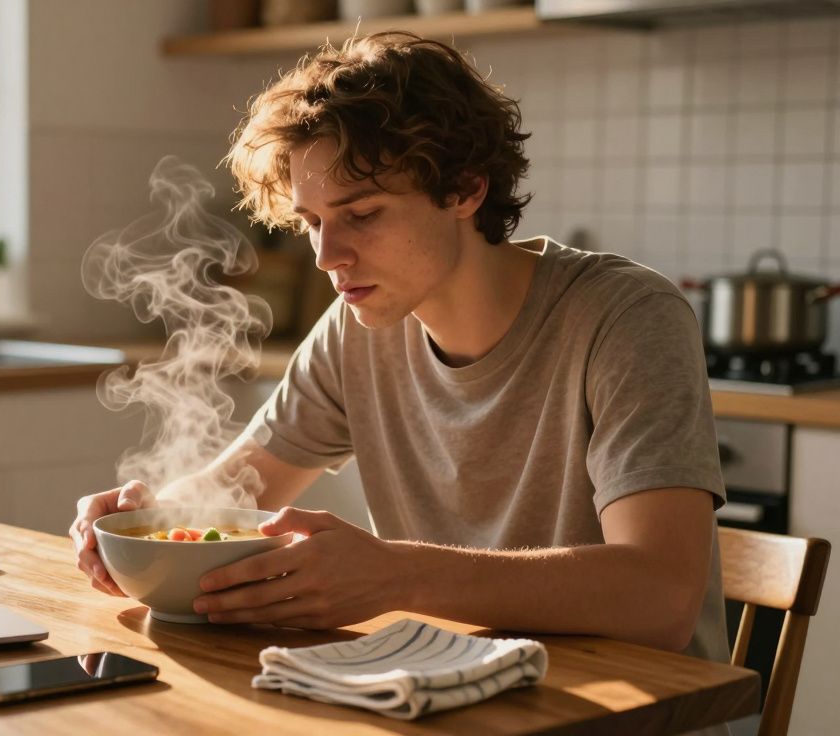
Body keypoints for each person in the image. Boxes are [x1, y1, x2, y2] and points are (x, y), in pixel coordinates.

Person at [70, 31, 728, 668]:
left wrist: (397, 575)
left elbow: (661, 596)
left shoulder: (626, 317)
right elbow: (232, 491)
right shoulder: (355, 330)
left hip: (637, 714)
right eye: (312, 223)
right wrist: (140, 522)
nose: (328, 257)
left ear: (466, 190)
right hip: (448, 697)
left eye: (362, 214)